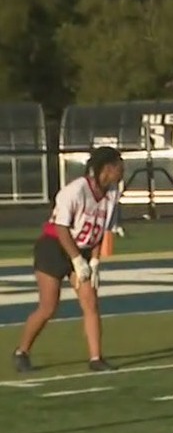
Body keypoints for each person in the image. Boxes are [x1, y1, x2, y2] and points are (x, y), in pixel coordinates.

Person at [12, 146, 124, 373]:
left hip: (83, 249)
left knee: (90, 302)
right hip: (53, 248)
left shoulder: (112, 193)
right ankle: (21, 351)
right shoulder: (75, 190)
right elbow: (60, 228)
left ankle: (96, 358)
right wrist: (76, 260)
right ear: (107, 168)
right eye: (119, 166)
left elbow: (100, 231)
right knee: (48, 306)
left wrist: (94, 261)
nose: (122, 171)